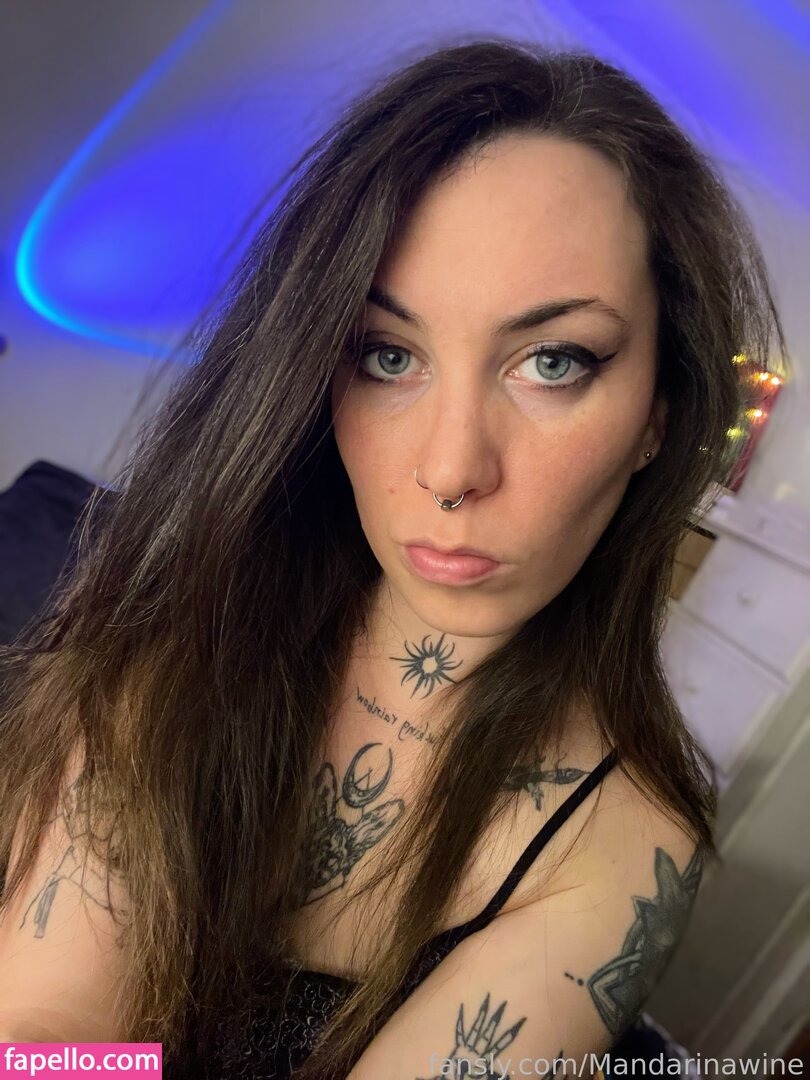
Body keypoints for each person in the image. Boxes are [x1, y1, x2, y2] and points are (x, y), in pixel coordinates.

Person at [0, 36, 786, 1080]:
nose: (452, 470)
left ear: (659, 414)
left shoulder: (621, 839)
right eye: (387, 354)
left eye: (554, 361)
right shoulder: (182, 624)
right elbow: (44, 1039)